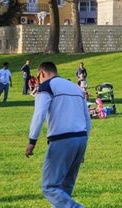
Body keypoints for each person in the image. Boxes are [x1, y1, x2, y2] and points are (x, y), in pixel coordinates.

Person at [26, 61, 91, 208]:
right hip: (80, 138)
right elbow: (87, 119)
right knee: (65, 188)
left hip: (62, 139)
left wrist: (32, 141)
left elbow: (39, 114)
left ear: (42, 73)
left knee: (50, 187)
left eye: (38, 77)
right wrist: (83, 145)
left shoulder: (46, 87)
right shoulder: (75, 87)